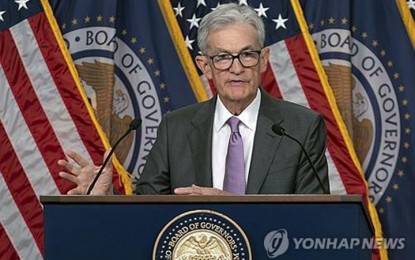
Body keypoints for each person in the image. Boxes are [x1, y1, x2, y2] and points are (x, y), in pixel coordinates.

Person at [58, 3, 329, 196]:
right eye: (222, 57)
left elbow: (314, 218)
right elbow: (146, 213)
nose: (236, 68)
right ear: (205, 66)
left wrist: (237, 208)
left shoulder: (301, 127)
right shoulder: (175, 127)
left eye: (247, 55)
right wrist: (109, 196)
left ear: (263, 61)